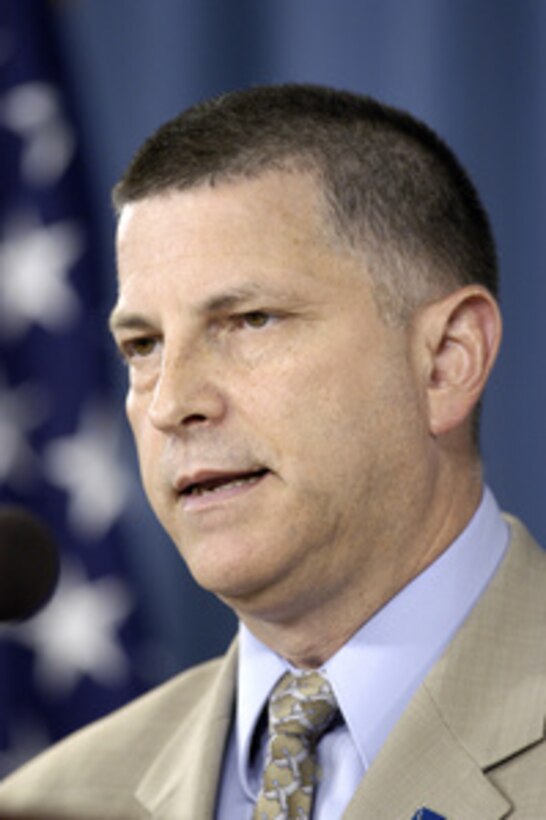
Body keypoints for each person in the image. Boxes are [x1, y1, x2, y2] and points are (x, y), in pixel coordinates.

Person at [0, 83, 545, 820]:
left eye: (251, 320)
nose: (170, 404)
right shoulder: (50, 804)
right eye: (143, 346)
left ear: (446, 360)